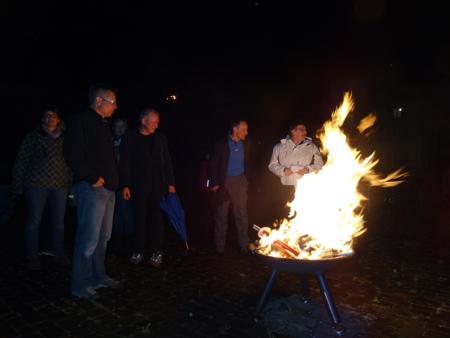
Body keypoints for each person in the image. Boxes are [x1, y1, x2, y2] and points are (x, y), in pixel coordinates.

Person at [64, 84, 122, 299]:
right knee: (88, 238)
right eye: (112, 102)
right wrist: (91, 178)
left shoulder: (101, 124)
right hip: (92, 188)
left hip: (108, 190)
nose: (115, 107)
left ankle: (99, 276)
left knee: (103, 237)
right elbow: (71, 152)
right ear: (99, 101)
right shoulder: (81, 121)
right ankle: (80, 285)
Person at [12, 106, 71, 270]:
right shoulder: (33, 137)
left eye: (53, 115)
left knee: (59, 223)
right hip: (36, 185)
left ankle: (58, 254)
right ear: (42, 119)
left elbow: (71, 163)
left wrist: (71, 185)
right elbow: (21, 161)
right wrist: (17, 186)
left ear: (59, 119)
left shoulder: (66, 138)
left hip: (60, 185)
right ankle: (32, 256)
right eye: (46, 115)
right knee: (33, 222)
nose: (49, 118)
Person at [120, 108, 176, 268]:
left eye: (157, 122)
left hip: (158, 187)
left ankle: (156, 251)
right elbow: (125, 163)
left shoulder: (160, 138)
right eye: (154, 122)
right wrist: (125, 185)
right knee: (139, 220)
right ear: (143, 121)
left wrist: (171, 184)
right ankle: (138, 250)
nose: (156, 126)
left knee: (157, 220)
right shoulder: (130, 137)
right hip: (138, 187)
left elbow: (167, 162)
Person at [209, 120, 251, 254]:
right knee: (221, 215)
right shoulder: (221, 144)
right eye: (244, 129)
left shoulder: (246, 143)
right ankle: (219, 247)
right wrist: (215, 183)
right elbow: (214, 164)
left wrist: (250, 180)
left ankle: (244, 245)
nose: (246, 132)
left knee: (242, 214)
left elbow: (251, 162)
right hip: (224, 182)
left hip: (240, 181)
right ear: (235, 129)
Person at [268, 120, 324, 219]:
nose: (305, 132)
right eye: (302, 130)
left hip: (306, 188)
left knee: (305, 216)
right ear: (293, 131)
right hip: (286, 188)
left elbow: (319, 164)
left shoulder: (311, 146)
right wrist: (283, 171)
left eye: (305, 130)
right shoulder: (280, 146)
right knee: (285, 217)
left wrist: (308, 169)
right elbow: (272, 165)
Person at [110, 118, 134, 256]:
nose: (119, 129)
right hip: (112, 184)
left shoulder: (131, 142)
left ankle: (128, 244)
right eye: (117, 126)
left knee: (126, 212)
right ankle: (117, 244)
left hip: (125, 184)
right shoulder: (109, 141)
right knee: (116, 214)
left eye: (122, 126)